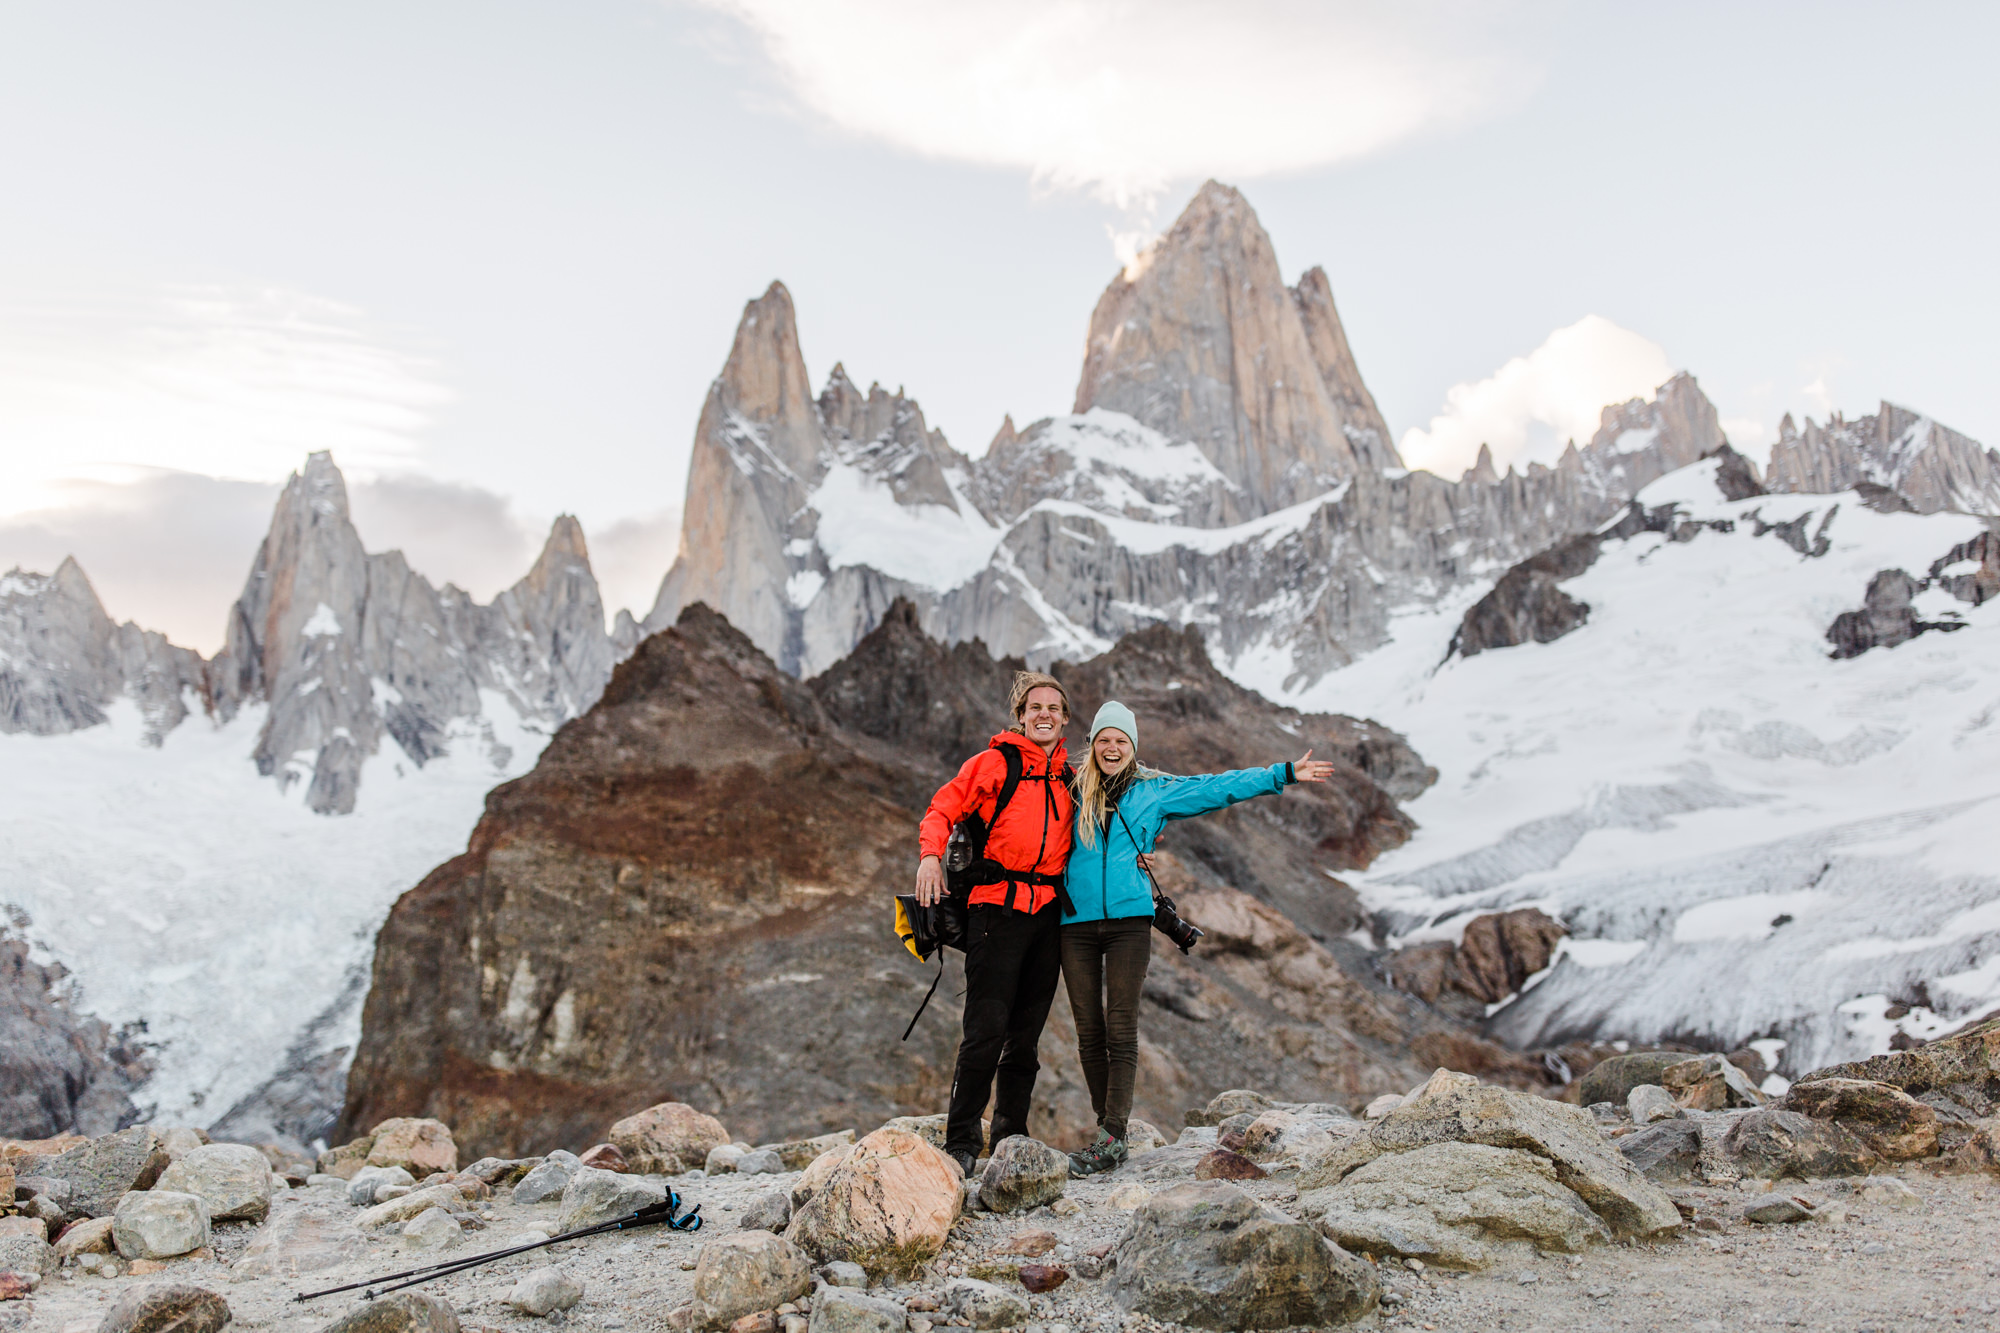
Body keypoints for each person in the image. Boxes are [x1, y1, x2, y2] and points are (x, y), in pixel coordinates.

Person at [1059, 699, 1337, 1176]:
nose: (1111, 747)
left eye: (1120, 741)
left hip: (1129, 922)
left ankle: (1112, 1136)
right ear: (1092, 744)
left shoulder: (1154, 791)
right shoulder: (1066, 788)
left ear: (1132, 747)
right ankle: (1105, 1126)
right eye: (1104, 739)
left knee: (1121, 1026)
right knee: (1089, 1031)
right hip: (1074, 924)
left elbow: (1217, 788)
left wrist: (1283, 773)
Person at [915, 671, 1077, 1178]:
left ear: (1065, 718)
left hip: (1048, 917)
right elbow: (942, 808)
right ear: (1021, 716)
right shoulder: (993, 763)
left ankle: (1009, 1138)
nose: (1044, 715)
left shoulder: (1071, 777)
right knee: (984, 1033)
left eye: (1053, 708)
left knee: (1025, 1039)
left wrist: (1144, 849)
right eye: (1035, 708)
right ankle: (962, 1140)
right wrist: (929, 858)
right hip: (995, 912)